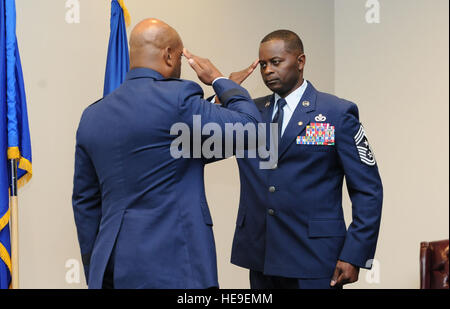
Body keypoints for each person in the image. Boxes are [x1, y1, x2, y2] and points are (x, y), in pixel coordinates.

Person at [71, 18, 261, 289]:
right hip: (175, 264)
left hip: (112, 267)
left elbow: (85, 203)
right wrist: (221, 82)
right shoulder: (179, 98)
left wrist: (96, 269)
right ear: (169, 55)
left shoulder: (92, 115)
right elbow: (252, 132)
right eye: (181, 58)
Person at [229, 30, 383, 289]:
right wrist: (225, 91)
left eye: (276, 62)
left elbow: (368, 190)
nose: (268, 70)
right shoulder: (249, 113)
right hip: (262, 256)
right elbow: (195, 141)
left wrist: (354, 254)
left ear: (300, 61)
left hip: (316, 258)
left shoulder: (336, 113)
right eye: (263, 64)